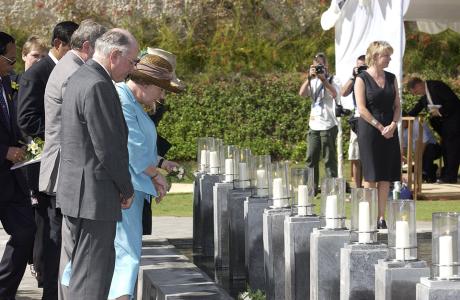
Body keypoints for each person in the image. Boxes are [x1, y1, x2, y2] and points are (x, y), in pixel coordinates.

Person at [57, 29, 138, 300]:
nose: (132, 68)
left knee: (81, 273)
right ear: (115, 55)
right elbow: (107, 146)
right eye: (131, 61)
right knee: (92, 277)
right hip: (93, 196)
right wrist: (126, 188)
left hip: (77, 193)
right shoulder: (98, 84)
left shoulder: (80, 77)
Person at [36, 19, 107, 299]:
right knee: (67, 249)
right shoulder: (73, 73)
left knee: (68, 248)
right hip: (67, 170)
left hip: (68, 167)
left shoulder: (71, 67)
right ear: (88, 46)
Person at [108, 48, 185, 300]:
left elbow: (143, 145)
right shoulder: (122, 99)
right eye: (161, 89)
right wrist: (154, 174)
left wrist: (159, 164)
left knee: (127, 251)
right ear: (146, 82)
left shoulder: (133, 102)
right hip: (126, 189)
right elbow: (133, 146)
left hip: (134, 188)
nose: (162, 95)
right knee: (126, 253)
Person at [16, 21, 78, 298]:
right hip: (47, 163)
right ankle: (50, 290)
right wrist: (60, 134)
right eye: (71, 47)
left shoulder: (74, 70)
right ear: (58, 44)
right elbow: (26, 120)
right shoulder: (37, 74)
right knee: (51, 232)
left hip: (70, 164)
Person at [0, 31, 36, 299]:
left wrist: (23, 145)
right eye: (10, 60)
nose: (14, 65)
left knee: (25, 233)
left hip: (12, 180)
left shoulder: (7, 84)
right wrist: (4, 151)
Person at [355, 41, 401, 229]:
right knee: (371, 176)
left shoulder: (391, 78)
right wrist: (380, 126)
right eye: (386, 55)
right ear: (375, 57)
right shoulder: (362, 78)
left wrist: (393, 125)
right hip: (370, 130)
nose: (389, 58)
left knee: (385, 176)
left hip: (389, 131)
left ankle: (381, 218)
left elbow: (397, 105)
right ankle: (368, 217)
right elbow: (361, 108)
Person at [299, 52, 340, 193]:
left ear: (326, 65)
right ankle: (311, 188)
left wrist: (324, 80)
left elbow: (335, 94)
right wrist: (308, 78)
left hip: (328, 125)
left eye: (320, 66)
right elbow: (302, 94)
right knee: (311, 157)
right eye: (316, 66)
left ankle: (332, 188)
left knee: (329, 159)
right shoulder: (312, 80)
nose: (318, 69)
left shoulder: (333, 79)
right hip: (314, 125)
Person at [407, 77, 460, 183]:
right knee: (446, 149)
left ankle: (451, 176)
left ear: (418, 85)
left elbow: (453, 102)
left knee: (452, 150)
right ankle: (446, 175)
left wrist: (439, 111)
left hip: (454, 123)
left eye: (415, 92)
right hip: (445, 127)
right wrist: (405, 117)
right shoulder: (425, 95)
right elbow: (417, 108)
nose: (416, 94)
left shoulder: (436, 86)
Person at [341, 55, 366, 188]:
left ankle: (370, 186)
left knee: (370, 156)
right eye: (359, 67)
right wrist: (353, 76)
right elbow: (343, 92)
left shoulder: (373, 78)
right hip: (357, 120)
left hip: (371, 120)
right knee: (356, 156)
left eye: (364, 67)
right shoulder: (355, 79)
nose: (361, 70)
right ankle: (357, 187)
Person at [401, 118, 442, 183]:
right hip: (419, 152)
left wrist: (417, 158)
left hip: (433, 148)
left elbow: (424, 142)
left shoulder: (417, 123)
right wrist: (402, 157)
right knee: (414, 167)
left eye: (401, 121)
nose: (400, 124)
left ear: (406, 119)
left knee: (428, 151)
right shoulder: (402, 130)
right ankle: (431, 169)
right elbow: (404, 148)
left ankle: (429, 177)